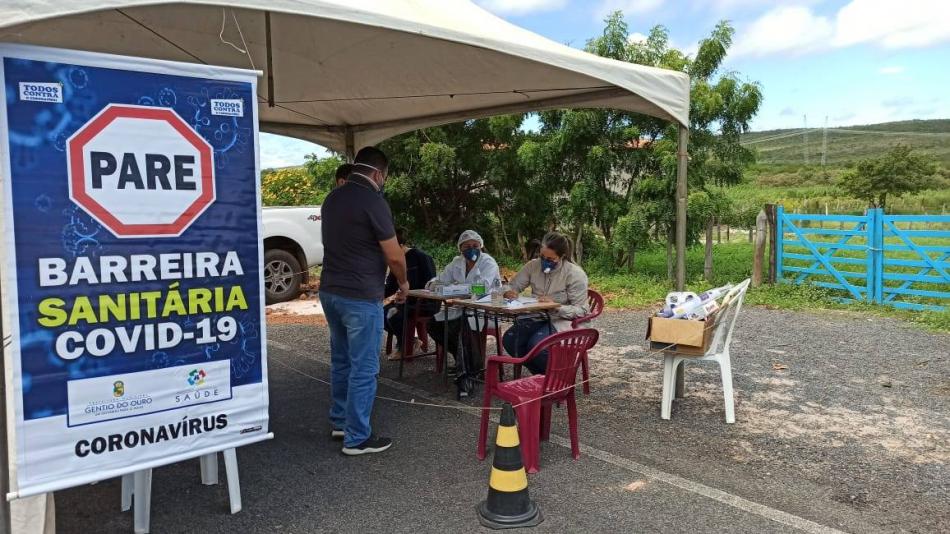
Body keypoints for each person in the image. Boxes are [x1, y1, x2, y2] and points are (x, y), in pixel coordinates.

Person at [320, 146, 408, 456]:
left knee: (342, 360)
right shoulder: (374, 202)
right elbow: (394, 255)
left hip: (329, 291)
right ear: (378, 173)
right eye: (384, 177)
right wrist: (404, 282)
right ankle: (357, 437)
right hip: (360, 295)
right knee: (364, 367)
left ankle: (341, 421)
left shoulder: (332, 198)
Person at [503, 231, 589, 375]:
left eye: (551, 259)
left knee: (538, 346)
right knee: (510, 340)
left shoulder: (574, 274)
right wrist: (508, 292)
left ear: (562, 257)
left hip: (562, 320)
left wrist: (556, 306)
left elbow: (581, 310)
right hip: (536, 316)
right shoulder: (533, 266)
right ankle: (542, 376)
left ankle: (557, 379)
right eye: (542, 257)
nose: (545, 262)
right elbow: (512, 285)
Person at [427, 230, 500, 395]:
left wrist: (456, 289)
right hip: (462, 307)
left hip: (484, 308)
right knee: (434, 324)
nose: (472, 249)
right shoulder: (457, 262)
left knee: (462, 327)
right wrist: (433, 284)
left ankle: (467, 373)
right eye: (467, 246)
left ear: (481, 246)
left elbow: (483, 288)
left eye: (475, 246)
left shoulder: (488, 262)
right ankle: (466, 363)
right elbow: (442, 279)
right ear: (460, 249)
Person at [383, 228, 438, 360]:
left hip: (425, 303)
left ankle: (404, 346)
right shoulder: (396, 263)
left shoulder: (422, 258)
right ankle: (411, 341)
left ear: (401, 246)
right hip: (405, 303)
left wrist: (409, 295)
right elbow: (390, 287)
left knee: (394, 314)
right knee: (380, 313)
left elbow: (431, 285)